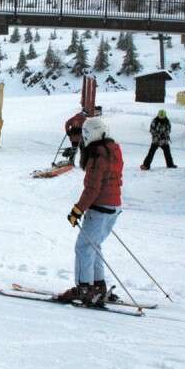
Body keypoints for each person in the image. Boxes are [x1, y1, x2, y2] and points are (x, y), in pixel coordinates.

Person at [58, 117, 123, 306]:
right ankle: (98, 285)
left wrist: (77, 210)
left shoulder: (97, 155)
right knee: (94, 245)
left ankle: (84, 288)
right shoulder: (114, 151)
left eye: (85, 135)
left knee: (83, 247)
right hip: (114, 206)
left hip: (100, 208)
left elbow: (92, 189)